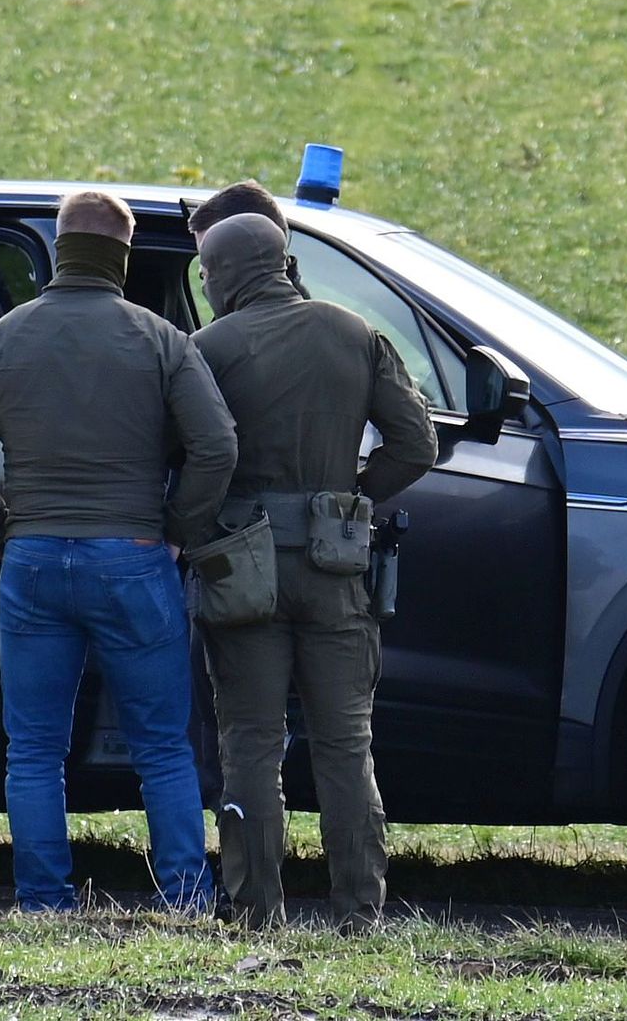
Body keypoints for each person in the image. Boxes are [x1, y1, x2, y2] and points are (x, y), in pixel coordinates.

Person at [0, 191, 236, 912]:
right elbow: (217, 445)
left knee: (34, 750)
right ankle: (186, 899)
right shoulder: (160, 339)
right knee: (163, 746)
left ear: (61, 247)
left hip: (32, 557)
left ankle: (44, 902)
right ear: (123, 257)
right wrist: (173, 527)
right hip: (131, 556)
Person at [190, 213, 437, 930]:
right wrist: (352, 497)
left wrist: (197, 526)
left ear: (229, 274)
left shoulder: (210, 348)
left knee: (251, 743)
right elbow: (415, 443)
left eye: (207, 271)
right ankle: (360, 910)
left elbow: (190, 454)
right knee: (345, 743)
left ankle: (253, 912)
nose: (204, 284)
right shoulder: (355, 333)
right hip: (337, 567)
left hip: (242, 570)